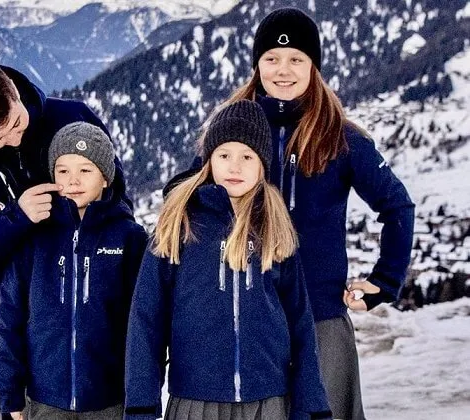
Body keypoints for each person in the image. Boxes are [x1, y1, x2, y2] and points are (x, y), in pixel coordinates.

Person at [181, 7, 414, 419]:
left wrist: (385, 281)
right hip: (252, 316)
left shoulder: (342, 138)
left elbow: (397, 207)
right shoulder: (236, 132)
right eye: (271, 58)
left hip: (321, 316)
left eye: (296, 59)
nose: (282, 70)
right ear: (257, 66)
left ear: (314, 67)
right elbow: (185, 190)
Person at [0, 63, 129, 420]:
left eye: (17, 123)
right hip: (7, 328)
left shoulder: (70, 118)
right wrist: (14, 219)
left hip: (91, 319)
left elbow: (117, 197)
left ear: (13, 90)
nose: (14, 139)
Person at [125, 100, 331, 420]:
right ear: (209, 161)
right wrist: (141, 406)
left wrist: (313, 406)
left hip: (269, 402)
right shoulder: (179, 225)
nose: (235, 166)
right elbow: (146, 321)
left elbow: (301, 325)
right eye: (224, 155)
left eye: (247, 156)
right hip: (195, 402)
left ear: (263, 165)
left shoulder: (275, 229)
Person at [0, 122, 148, 419]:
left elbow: (145, 326)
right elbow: (10, 320)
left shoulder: (130, 239)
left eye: (86, 170)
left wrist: (141, 399)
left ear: (105, 178)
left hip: (110, 403)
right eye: (63, 171)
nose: (73, 180)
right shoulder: (33, 237)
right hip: (44, 401)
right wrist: (11, 395)